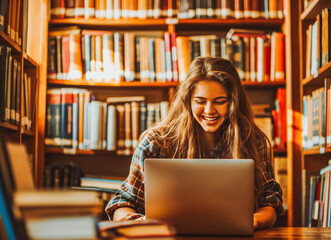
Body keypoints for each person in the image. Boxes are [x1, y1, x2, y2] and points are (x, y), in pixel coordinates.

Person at [105, 57, 284, 230]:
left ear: (233, 103)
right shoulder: (155, 142)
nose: (209, 111)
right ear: (187, 101)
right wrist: (141, 222)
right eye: (200, 101)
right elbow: (122, 204)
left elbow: (270, 201)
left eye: (220, 102)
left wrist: (254, 221)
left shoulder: (253, 140)